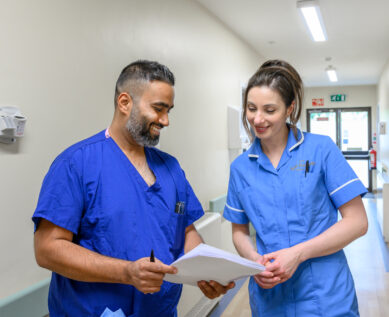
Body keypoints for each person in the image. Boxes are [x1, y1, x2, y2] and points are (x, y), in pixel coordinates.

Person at [33, 60, 234, 317]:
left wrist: (208, 272)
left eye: (169, 110)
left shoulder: (170, 169)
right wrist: (126, 272)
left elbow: (185, 231)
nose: (166, 120)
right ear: (125, 102)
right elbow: (47, 249)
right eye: (158, 109)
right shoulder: (77, 164)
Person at [223, 59, 368, 316]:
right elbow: (240, 231)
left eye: (270, 110)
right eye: (251, 108)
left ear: (290, 108)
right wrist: (254, 261)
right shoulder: (241, 168)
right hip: (271, 297)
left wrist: (298, 254)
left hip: (326, 294)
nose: (258, 119)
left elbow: (357, 221)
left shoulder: (321, 149)